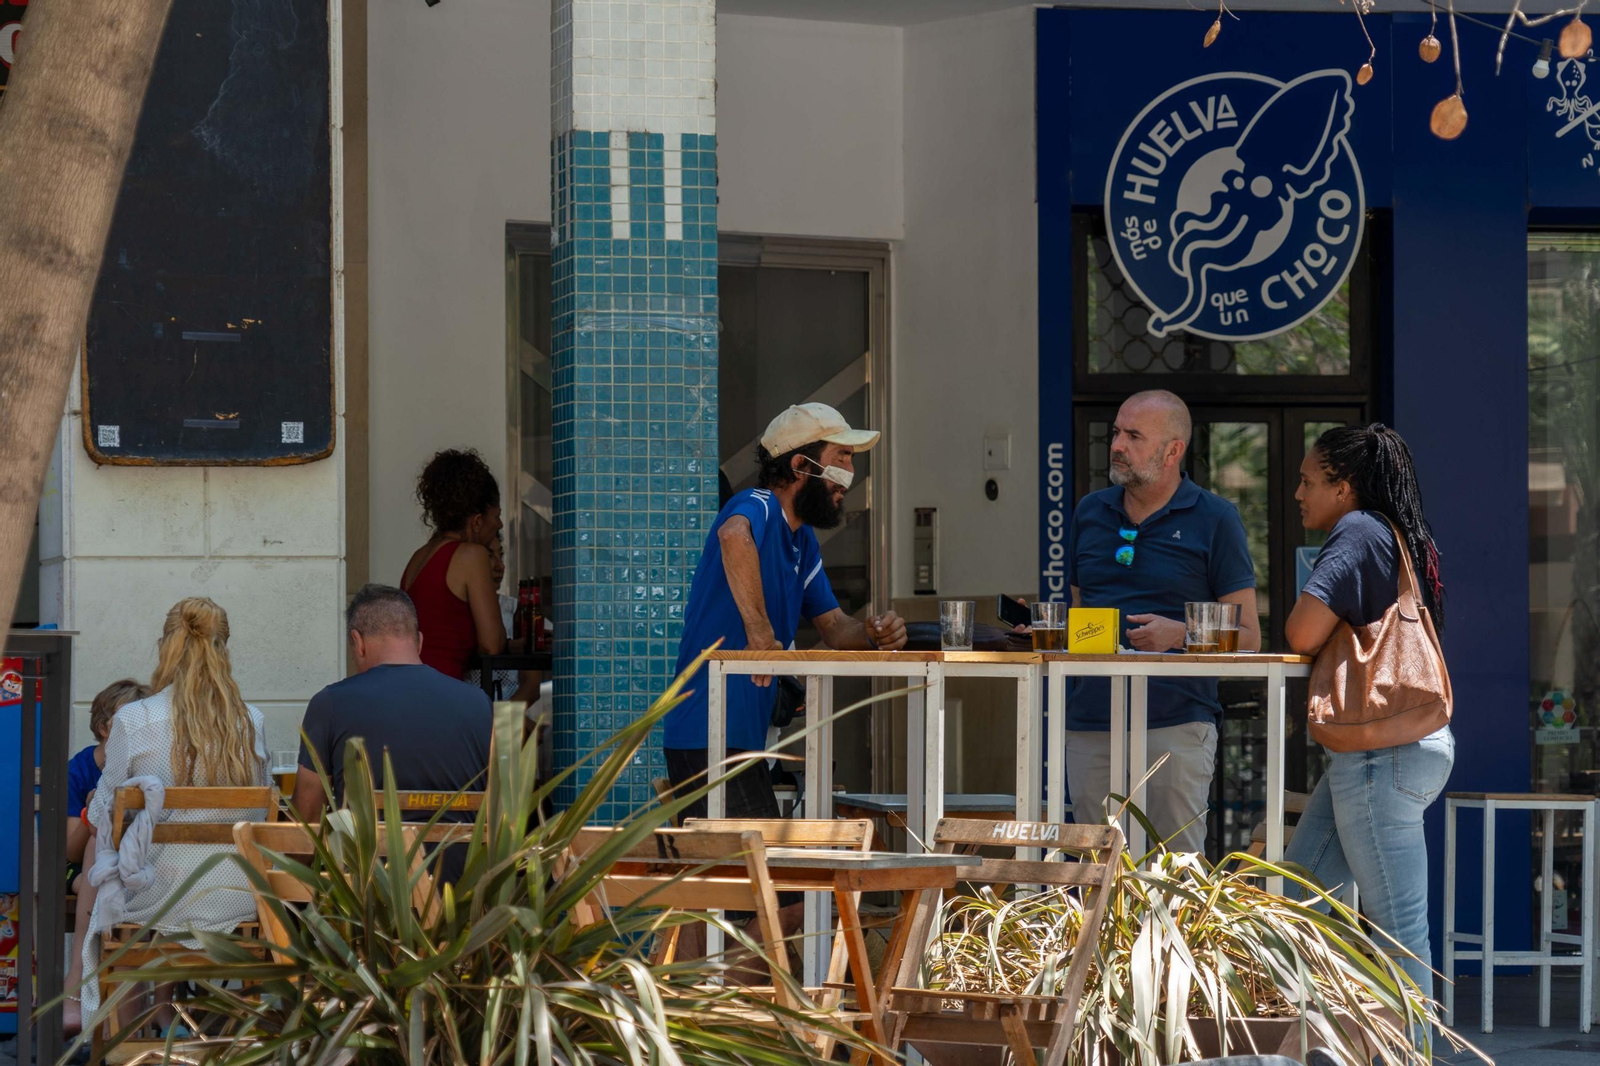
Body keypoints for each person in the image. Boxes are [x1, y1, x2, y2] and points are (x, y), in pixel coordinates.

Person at [664, 402, 908, 820]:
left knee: (760, 880)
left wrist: (873, 632)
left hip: (742, 741)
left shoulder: (803, 540)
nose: (849, 475)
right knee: (770, 881)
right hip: (706, 734)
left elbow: (833, 626)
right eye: (841, 458)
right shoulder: (756, 505)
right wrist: (759, 632)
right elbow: (731, 536)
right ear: (801, 465)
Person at [1284, 424, 1453, 996]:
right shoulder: (1398, 534)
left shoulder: (1356, 531)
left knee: (1400, 931)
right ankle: (1315, 1037)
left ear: (1345, 485)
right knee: (1296, 900)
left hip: (1382, 758)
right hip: (1390, 752)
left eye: (1309, 481)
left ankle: (1413, 1057)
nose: (1299, 494)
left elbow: (1302, 631)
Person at [1064, 390, 1260, 853]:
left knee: (1173, 876)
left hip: (1176, 722)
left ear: (1173, 451)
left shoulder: (1215, 518)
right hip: (1091, 721)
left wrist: (1181, 635)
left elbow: (1250, 638)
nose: (1117, 444)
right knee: (1096, 877)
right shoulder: (1090, 512)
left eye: (1133, 435)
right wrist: (1050, 634)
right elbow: (1080, 617)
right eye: (1116, 432)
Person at [70, 598, 269, 1029]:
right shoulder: (251, 721)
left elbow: (106, 815)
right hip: (235, 899)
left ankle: (123, 1042)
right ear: (224, 650)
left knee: (110, 872)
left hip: (154, 900)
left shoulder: (136, 720)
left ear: (165, 648)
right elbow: (261, 810)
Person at [294, 584, 492, 885]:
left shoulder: (330, 704)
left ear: (357, 642)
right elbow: (499, 815)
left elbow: (306, 827)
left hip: (368, 911)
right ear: (420, 642)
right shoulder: (478, 703)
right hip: (461, 907)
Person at [401, 448, 507, 680]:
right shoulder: (472, 555)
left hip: (410, 689)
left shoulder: (419, 556)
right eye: (496, 515)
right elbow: (491, 645)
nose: (499, 524)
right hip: (443, 693)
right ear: (477, 521)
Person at [67, 679, 152, 874]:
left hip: (138, 861)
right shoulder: (78, 771)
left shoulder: (151, 767)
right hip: (82, 868)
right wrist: (91, 814)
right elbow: (72, 853)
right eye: (127, 725)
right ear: (103, 729)